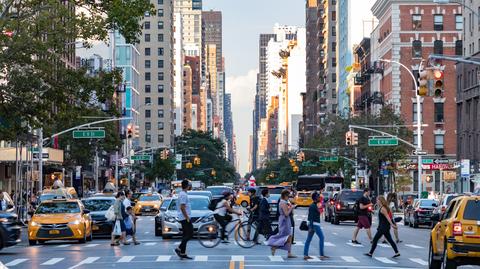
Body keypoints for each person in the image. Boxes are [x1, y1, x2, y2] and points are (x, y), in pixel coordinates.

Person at [267, 189, 296, 258]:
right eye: (288, 196)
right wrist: (291, 208)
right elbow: (286, 213)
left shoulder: (284, 202)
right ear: (285, 196)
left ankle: (289, 253)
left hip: (285, 220)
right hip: (284, 221)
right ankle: (274, 246)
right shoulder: (283, 203)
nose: (288, 197)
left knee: (289, 237)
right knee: (284, 236)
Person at [304, 192, 329, 260]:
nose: (319, 198)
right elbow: (311, 217)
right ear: (315, 198)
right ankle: (321, 254)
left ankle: (305, 254)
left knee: (308, 240)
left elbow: (320, 208)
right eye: (318, 197)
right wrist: (310, 227)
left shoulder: (314, 205)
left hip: (313, 224)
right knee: (321, 237)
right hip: (314, 224)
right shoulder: (313, 206)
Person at [175, 180, 193, 259]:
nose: (190, 186)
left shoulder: (183, 194)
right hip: (184, 218)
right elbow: (182, 207)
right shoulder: (183, 195)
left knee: (185, 235)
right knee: (190, 234)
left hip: (184, 217)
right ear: (187, 186)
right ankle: (179, 248)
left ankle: (182, 253)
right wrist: (187, 217)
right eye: (189, 185)